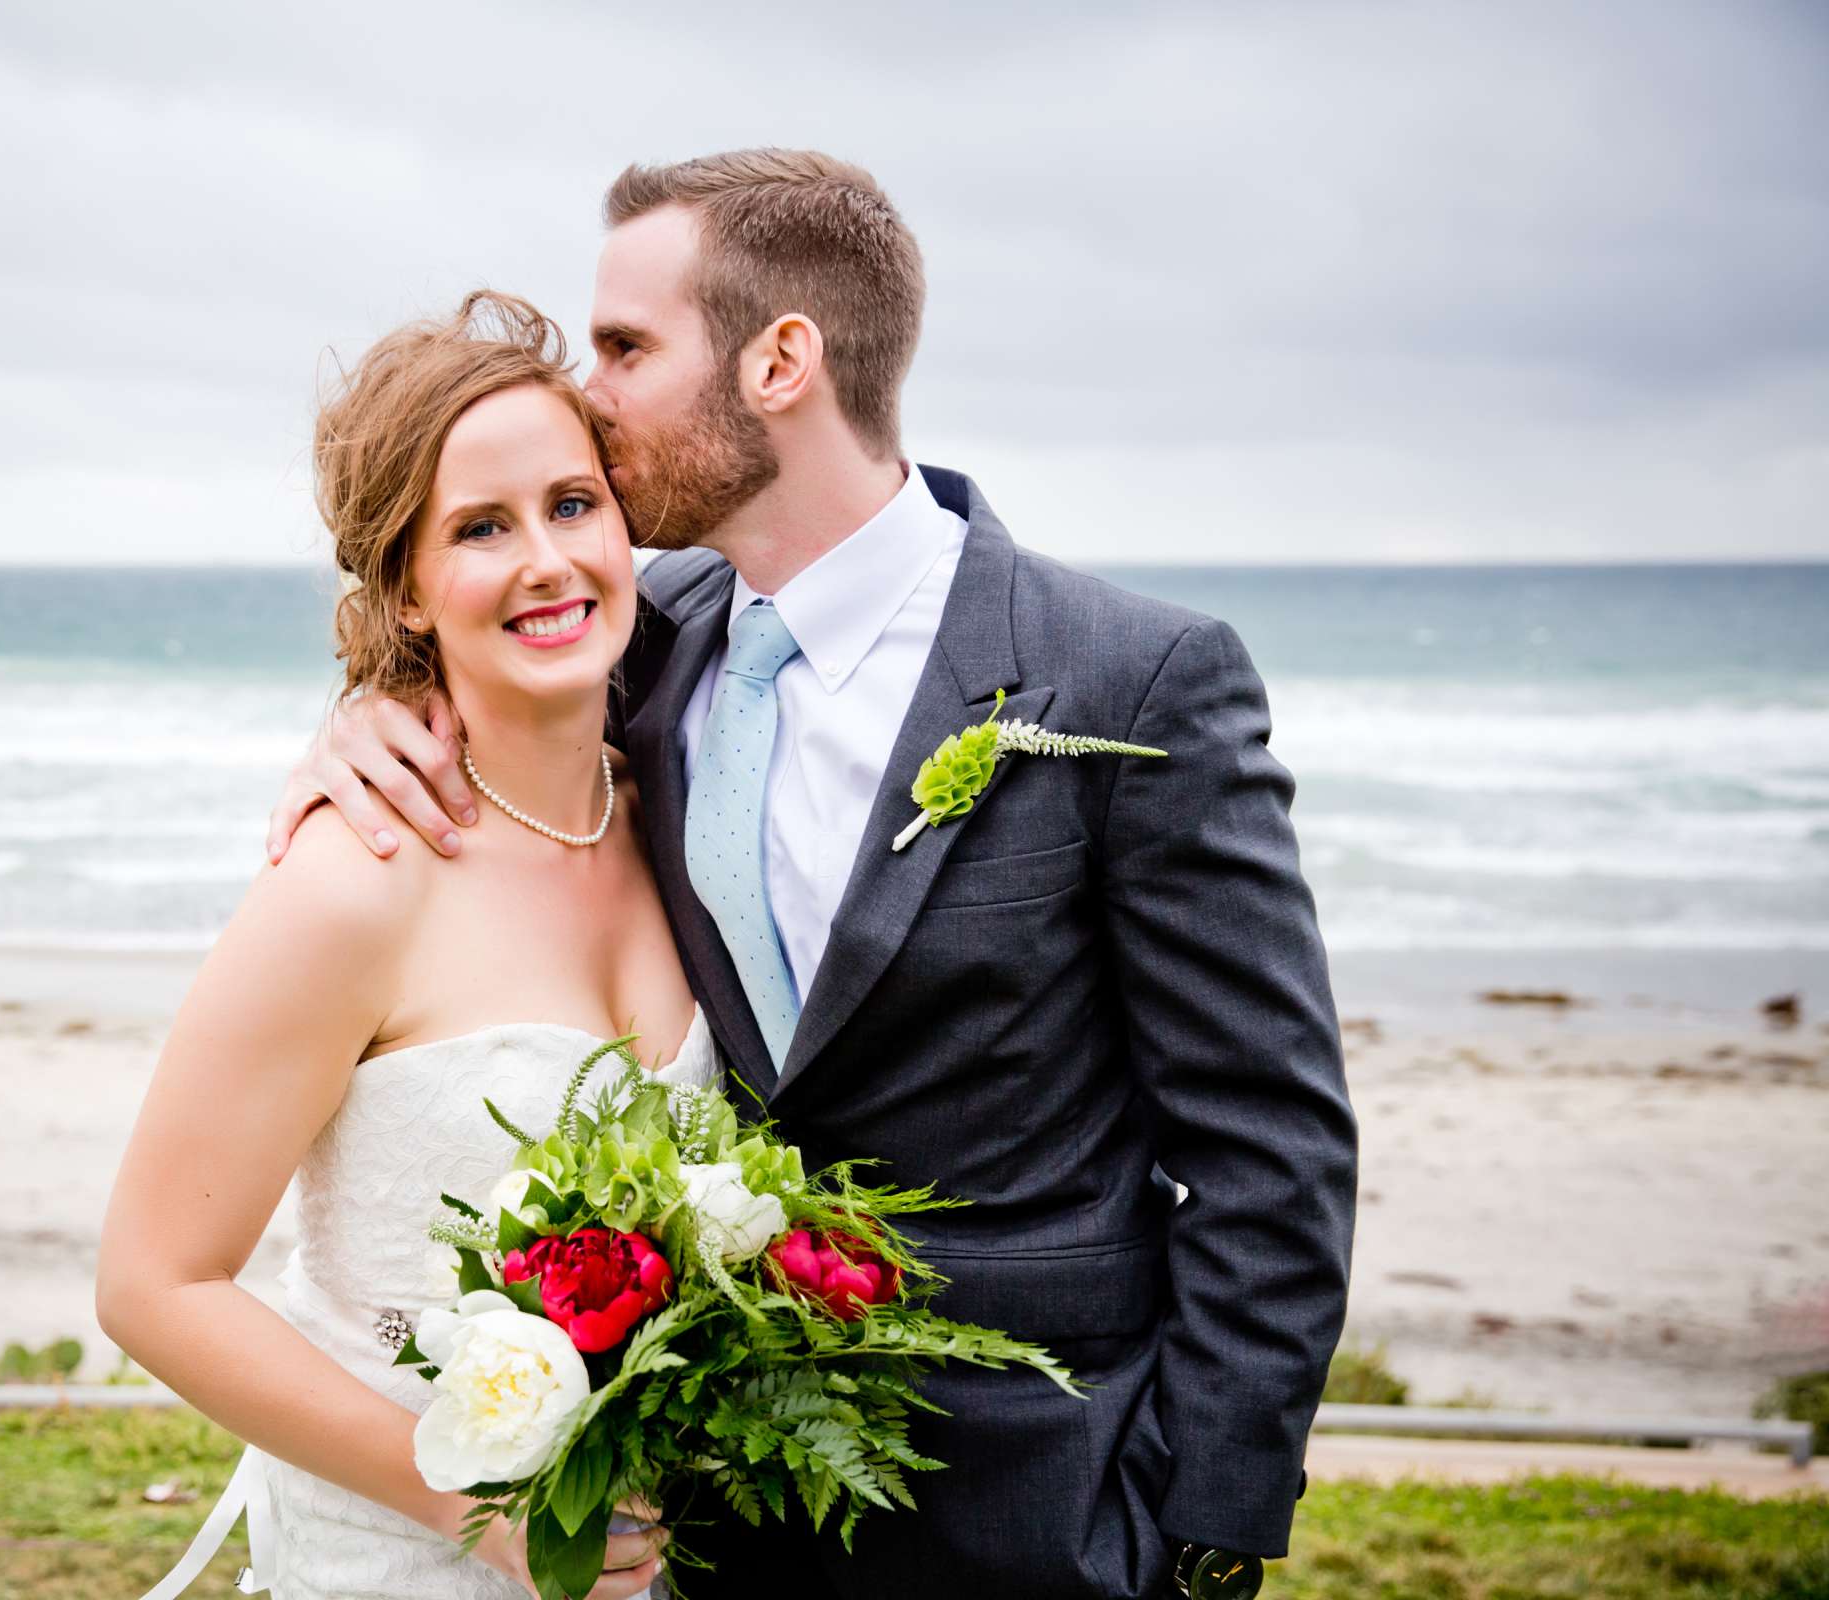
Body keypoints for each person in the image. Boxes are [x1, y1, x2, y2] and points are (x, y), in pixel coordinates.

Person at [268, 150, 1359, 1600]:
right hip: (714, 1521)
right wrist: (360, 718)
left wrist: (1197, 1539)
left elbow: (1266, 1146)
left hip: (1054, 1509)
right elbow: (465, 643)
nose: (589, 397)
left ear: (782, 359)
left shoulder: (1130, 680)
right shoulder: (638, 641)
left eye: (627, 348)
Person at [97, 292, 693, 1600]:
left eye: (573, 504)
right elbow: (154, 1283)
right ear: (408, 591)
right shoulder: (353, 881)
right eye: (481, 528)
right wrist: (480, 1507)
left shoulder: (689, 827)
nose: (546, 558)